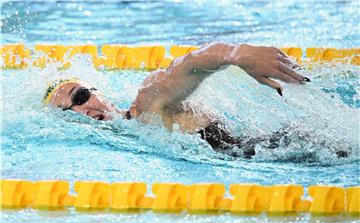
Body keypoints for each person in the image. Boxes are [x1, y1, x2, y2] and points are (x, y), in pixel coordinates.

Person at [44, 42, 312, 158]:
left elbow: (191, 64)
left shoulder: (146, 103)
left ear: (97, 91)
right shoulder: (129, 139)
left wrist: (238, 54)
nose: (82, 111)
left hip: (290, 150)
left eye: (80, 96)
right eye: (69, 113)